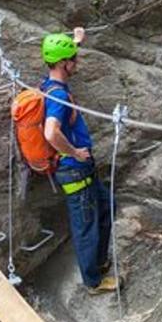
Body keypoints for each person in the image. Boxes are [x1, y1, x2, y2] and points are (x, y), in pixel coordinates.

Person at [40, 28, 118, 295]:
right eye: (74, 58)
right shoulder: (59, 96)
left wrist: (75, 41)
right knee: (86, 227)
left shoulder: (49, 84)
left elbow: (64, 58)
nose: (77, 62)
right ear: (64, 63)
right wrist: (73, 151)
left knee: (108, 206)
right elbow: (51, 132)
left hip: (82, 169)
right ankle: (93, 282)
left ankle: (99, 262)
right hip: (74, 170)